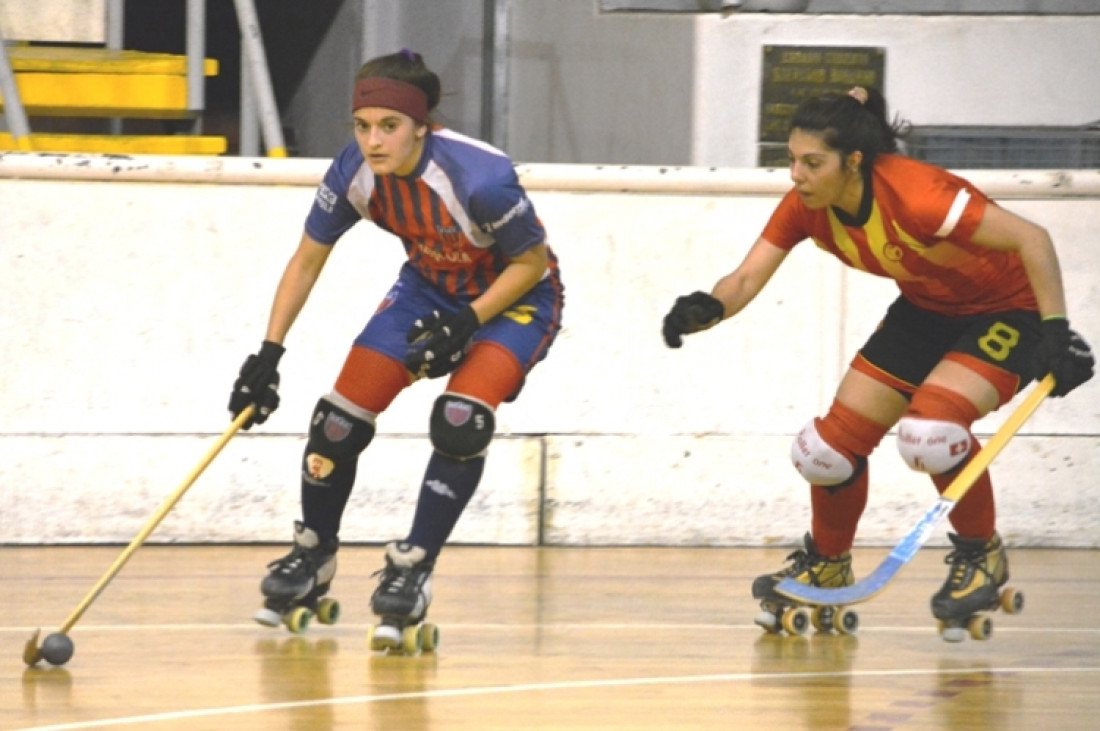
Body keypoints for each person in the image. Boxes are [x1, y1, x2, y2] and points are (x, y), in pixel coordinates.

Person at [662, 86, 1093, 637]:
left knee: (931, 433)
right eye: (792, 160)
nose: (796, 175)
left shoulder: (919, 197)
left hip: (1008, 309)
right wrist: (712, 306)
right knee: (825, 451)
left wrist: (1056, 331)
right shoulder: (808, 206)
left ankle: (982, 554)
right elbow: (746, 277)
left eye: (812, 163)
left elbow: (1032, 238)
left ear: (854, 163)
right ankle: (828, 562)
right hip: (926, 310)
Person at [228, 49, 564, 650]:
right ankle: (314, 557)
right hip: (429, 287)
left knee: (460, 420)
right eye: (362, 126)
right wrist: (267, 355)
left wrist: (469, 321)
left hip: (514, 300)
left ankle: (412, 568)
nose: (373, 142)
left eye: (389, 127)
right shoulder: (352, 172)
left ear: (422, 127)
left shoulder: (480, 179)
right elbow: (306, 261)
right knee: (335, 421)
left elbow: (532, 263)